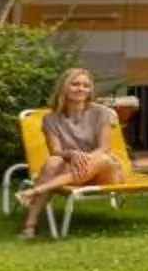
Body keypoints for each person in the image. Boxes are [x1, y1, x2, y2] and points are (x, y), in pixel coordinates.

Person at [19, 66, 124, 238]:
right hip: (72, 173)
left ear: (90, 90)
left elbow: (104, 148)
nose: (81, 89)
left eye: (85, 85)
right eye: (75, 84)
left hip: (105, 172)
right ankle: (30, 224)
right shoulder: (50, 118)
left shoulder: (102, 113)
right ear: (64, 87)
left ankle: (36, 190)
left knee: (104, 159)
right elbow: (56, 151)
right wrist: (72, 154)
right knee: (53, 162)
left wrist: (84, 158)